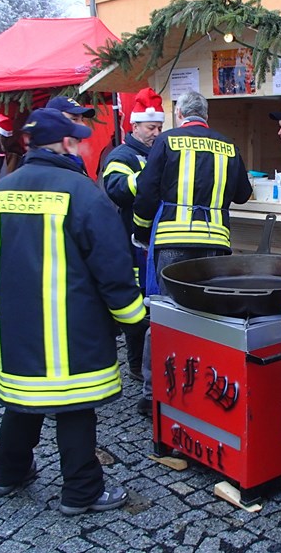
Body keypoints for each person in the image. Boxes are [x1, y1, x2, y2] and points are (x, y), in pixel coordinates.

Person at [0, 107, 146, 516]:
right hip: (73, 325)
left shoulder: (0, 192)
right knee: (74, 406)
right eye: (78, 141)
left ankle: (8, 472)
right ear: (67, 143)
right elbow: (112, 265)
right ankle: (82, 491)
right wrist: (132, 318)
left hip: (18, 327)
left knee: (24, 398)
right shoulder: (82, 193)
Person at [133, 90, 252, 416]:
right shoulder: (228, 145)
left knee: (164, 315)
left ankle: (152, 395)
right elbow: (243, 193)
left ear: (179, 113)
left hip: (172, 242)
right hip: (215, 244)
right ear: (206, 116)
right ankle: (205, 388)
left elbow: (145, 193)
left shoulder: (166, 141)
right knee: (209, 317)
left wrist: (141, 232)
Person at [102, 87, 165, 381]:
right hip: (131, 241)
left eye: (159, 128)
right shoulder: (121, 155)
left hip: (156, 239)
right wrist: (150, 177)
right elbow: (116, 189)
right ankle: (137, 365)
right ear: (135, 126)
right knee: (137, 303)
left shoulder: (158, 152)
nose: (156, 133)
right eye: (151, 128)